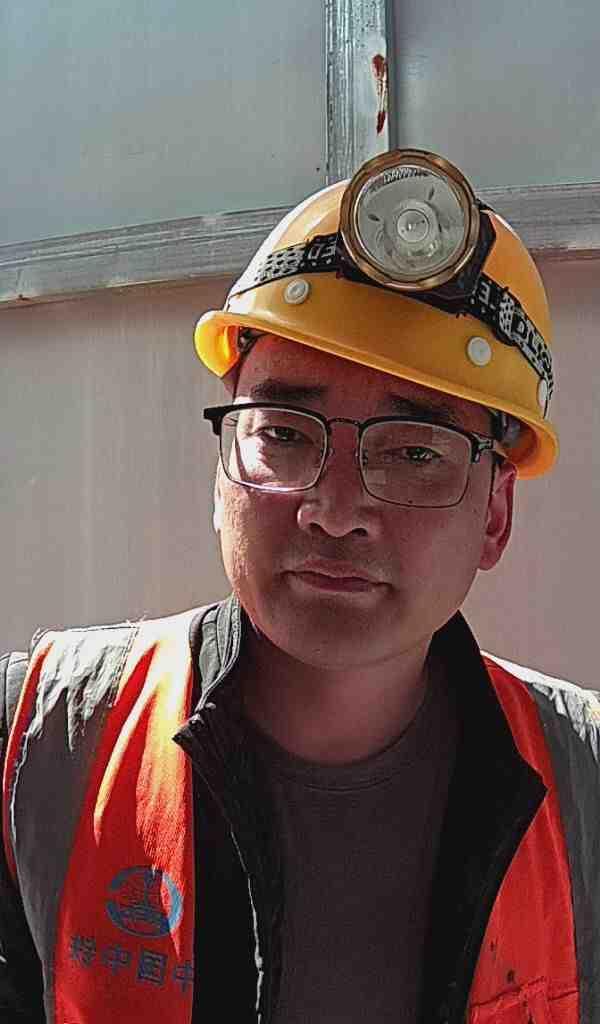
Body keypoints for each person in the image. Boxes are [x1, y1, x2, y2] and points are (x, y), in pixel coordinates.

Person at [0, 149, 598, 1024]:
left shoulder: (586, 789)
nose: (336, 510)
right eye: (284, 433)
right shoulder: (38, 741)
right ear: (221, 472)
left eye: (414, 450)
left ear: (495, 515)